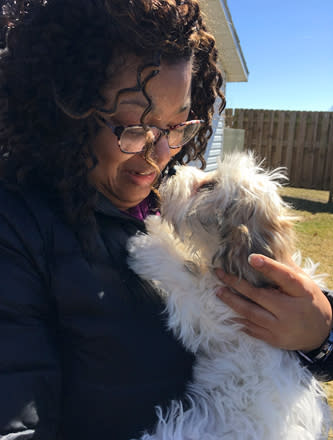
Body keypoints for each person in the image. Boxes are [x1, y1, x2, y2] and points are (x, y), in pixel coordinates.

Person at [0, 0, 331, 439]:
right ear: (67, 112)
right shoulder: (19, 231)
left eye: (177, 127)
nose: (160, 158)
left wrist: (320, 333)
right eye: (136, 128)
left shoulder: (171, 203)